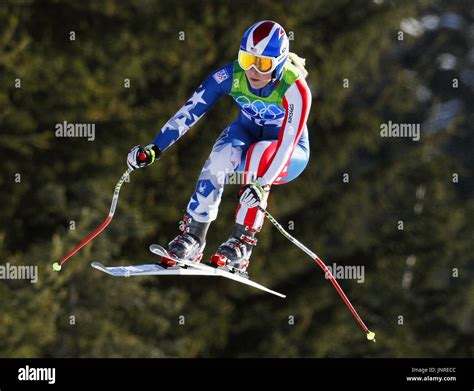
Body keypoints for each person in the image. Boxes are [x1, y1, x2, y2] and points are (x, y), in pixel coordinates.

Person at [127, 20, 312, 275]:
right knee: (221, 154)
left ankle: (242, 244)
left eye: (264, 63)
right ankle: (192, 236)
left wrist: (261, 184)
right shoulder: (231, 75)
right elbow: (190, 111)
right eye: (248, 59)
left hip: (287, 155)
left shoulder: (295, 89)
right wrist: (154, 149)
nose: (253, 70)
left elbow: (287, 144)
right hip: (247, 135)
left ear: (279, 63)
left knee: (260, 154)